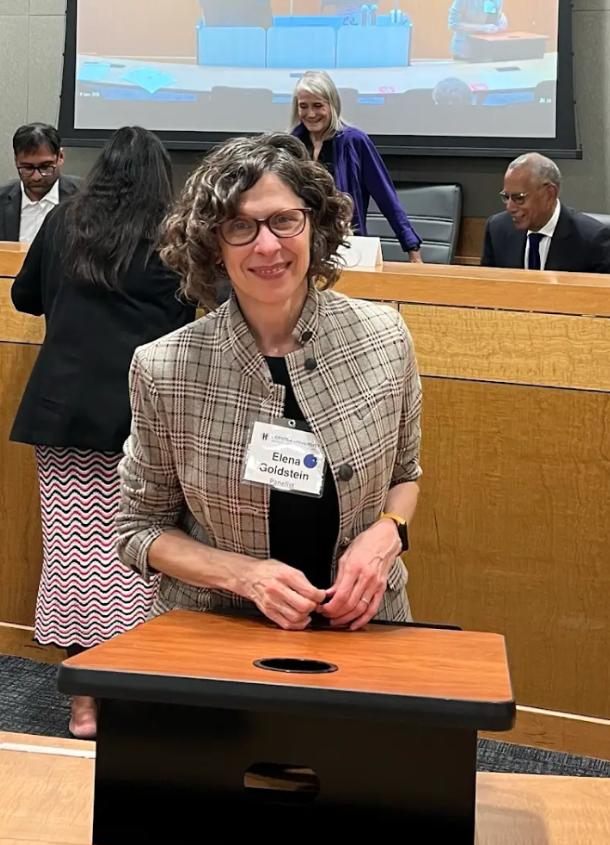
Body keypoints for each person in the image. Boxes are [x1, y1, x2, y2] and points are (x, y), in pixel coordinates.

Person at [116, 132, 422, 636]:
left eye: (284, 220)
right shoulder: (164, 368)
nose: (267, 245)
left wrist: (389, 534)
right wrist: (245, 576)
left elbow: (405, 476)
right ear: (213, 246)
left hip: (366, 624)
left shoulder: (385, 337)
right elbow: (140, 529)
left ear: (314, 226)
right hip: (218, 630)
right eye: (240, 226)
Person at [10, 126, 196, 738]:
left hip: (62, 411)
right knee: (144, 556)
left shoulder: (63, 222)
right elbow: (200, 310)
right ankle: (135, 693)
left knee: (74, 558)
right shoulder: (173, 235)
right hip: (141, 416)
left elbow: (24, 297)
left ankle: (83, 703)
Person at [290, 71, 423, 262]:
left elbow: (386, 197)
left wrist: (411, 247)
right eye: (304, 106)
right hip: (299, 247)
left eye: (318, 105)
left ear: (332, 105)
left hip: (346, 246)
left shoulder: (355, 142)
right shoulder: (291, 145)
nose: (310, 114)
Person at [481, 152, 610, 273]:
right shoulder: (497, 230)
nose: (510, 207)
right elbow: (487, 286)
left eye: (519, 198)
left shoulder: (592, 241)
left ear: (549, 194)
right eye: (506, 197)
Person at [0, 123, 80, 243]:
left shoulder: (85, 199)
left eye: (45, 167)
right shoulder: (2, 200)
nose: (36, 177)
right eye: (27, 168)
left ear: (60, 157)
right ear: (16, 161)